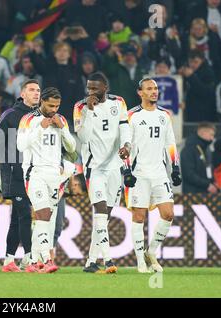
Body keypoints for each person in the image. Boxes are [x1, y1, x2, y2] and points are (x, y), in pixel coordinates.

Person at [73, 72, 131, 274]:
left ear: (105, 87)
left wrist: (127, 145)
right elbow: (84, 136)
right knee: (99, 211)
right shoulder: (80, 107)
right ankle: (107, 259)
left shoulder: (119, 102)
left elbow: (124, 127)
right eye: (88, 88)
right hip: (94, 168)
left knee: (105, 216)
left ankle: (90, 261)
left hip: (115, 167)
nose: (91, 92)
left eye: (95, 88)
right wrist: (89, 111)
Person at [0, 79, 40, 272]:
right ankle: (30, 259)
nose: (36, 93)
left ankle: (8, 261)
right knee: (24, 213)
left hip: (34, 174)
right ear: (22, 94)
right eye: (31, 90)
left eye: (38, 90)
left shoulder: (41, 117)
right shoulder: (10, 115)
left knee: (17, 218)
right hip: (14, 172)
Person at [17, 87, 76, 273]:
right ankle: (47, 259)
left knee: (46, 219)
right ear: (42, 101)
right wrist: (40, 128)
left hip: (54, 174)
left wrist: (63, 130)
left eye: (57, 106)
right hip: (34, 173)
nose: (54, 110)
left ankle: (33, 261)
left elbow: (72, 147)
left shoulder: (61, 120)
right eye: (51, 105)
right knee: (42, 213)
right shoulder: (29, 120)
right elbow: (20, 145)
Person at [126, 78, 182, 273]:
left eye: (156, 89)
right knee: (139, 217)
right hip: (139, 173)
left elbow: (170, 144)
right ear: (140, 92)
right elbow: (125, 146)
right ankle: (141, 262)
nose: (154, 92)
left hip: (159, 173)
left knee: (168, 214)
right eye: (149, 89)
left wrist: (175, 168)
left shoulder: (165, 115)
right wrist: (126, 170)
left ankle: (151, 252)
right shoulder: (131, 116)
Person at [180, 122, 219, 194]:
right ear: (203, 133)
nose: (212, 138)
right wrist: (207, 185)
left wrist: (213, 182)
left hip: (207, 193)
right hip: (192, 194)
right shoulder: (189, 149)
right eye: (211, 135)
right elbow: (188, 174)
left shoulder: (207, 149)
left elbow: (209, 169)